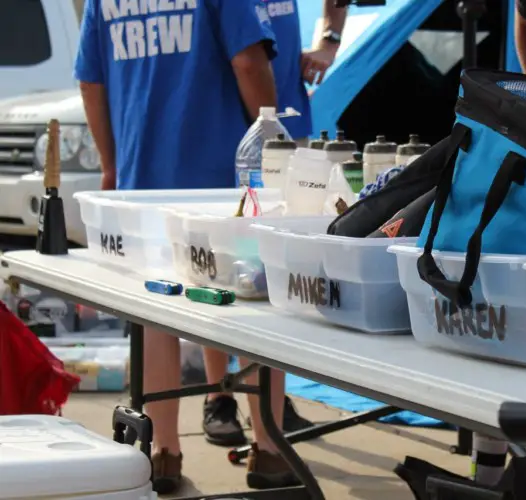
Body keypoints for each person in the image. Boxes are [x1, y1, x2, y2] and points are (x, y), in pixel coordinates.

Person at [74, 0, 293, 494]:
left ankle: (163, 452)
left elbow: (90, 82)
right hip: (223, 181)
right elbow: (248, 60)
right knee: (260, 308)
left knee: (155, 315)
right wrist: (274, 144)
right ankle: (270, 451)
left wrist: (111, 164)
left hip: (142, 180)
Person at [200, 0, 348, 449]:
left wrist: (329, 41)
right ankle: (220, 394)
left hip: (281, 126)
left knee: (269, 272)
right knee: (223, 265)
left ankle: (269, 400)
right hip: (235, 128)